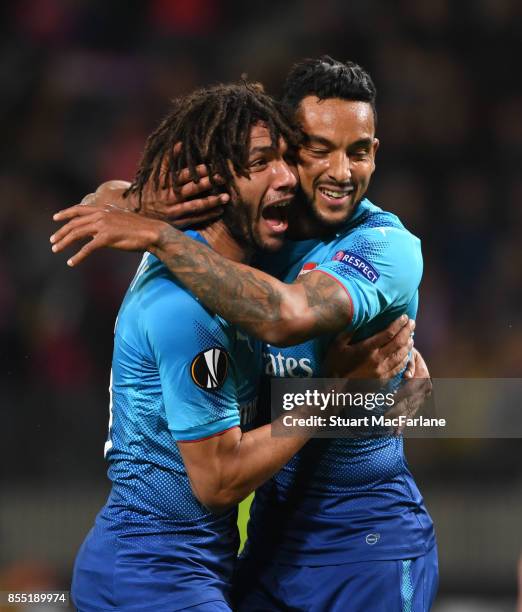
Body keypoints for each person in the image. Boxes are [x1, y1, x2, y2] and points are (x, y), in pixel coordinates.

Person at [52, 58, 437, 610]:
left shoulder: (383, 246)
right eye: (315, 149)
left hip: (363, 545)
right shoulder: (249, 241)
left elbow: (283, 316)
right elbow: (96, 206)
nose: (340, 171)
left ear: (376, 151)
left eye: (358, 151)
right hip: (250, 550)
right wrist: (142, 206)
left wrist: (158, 232)